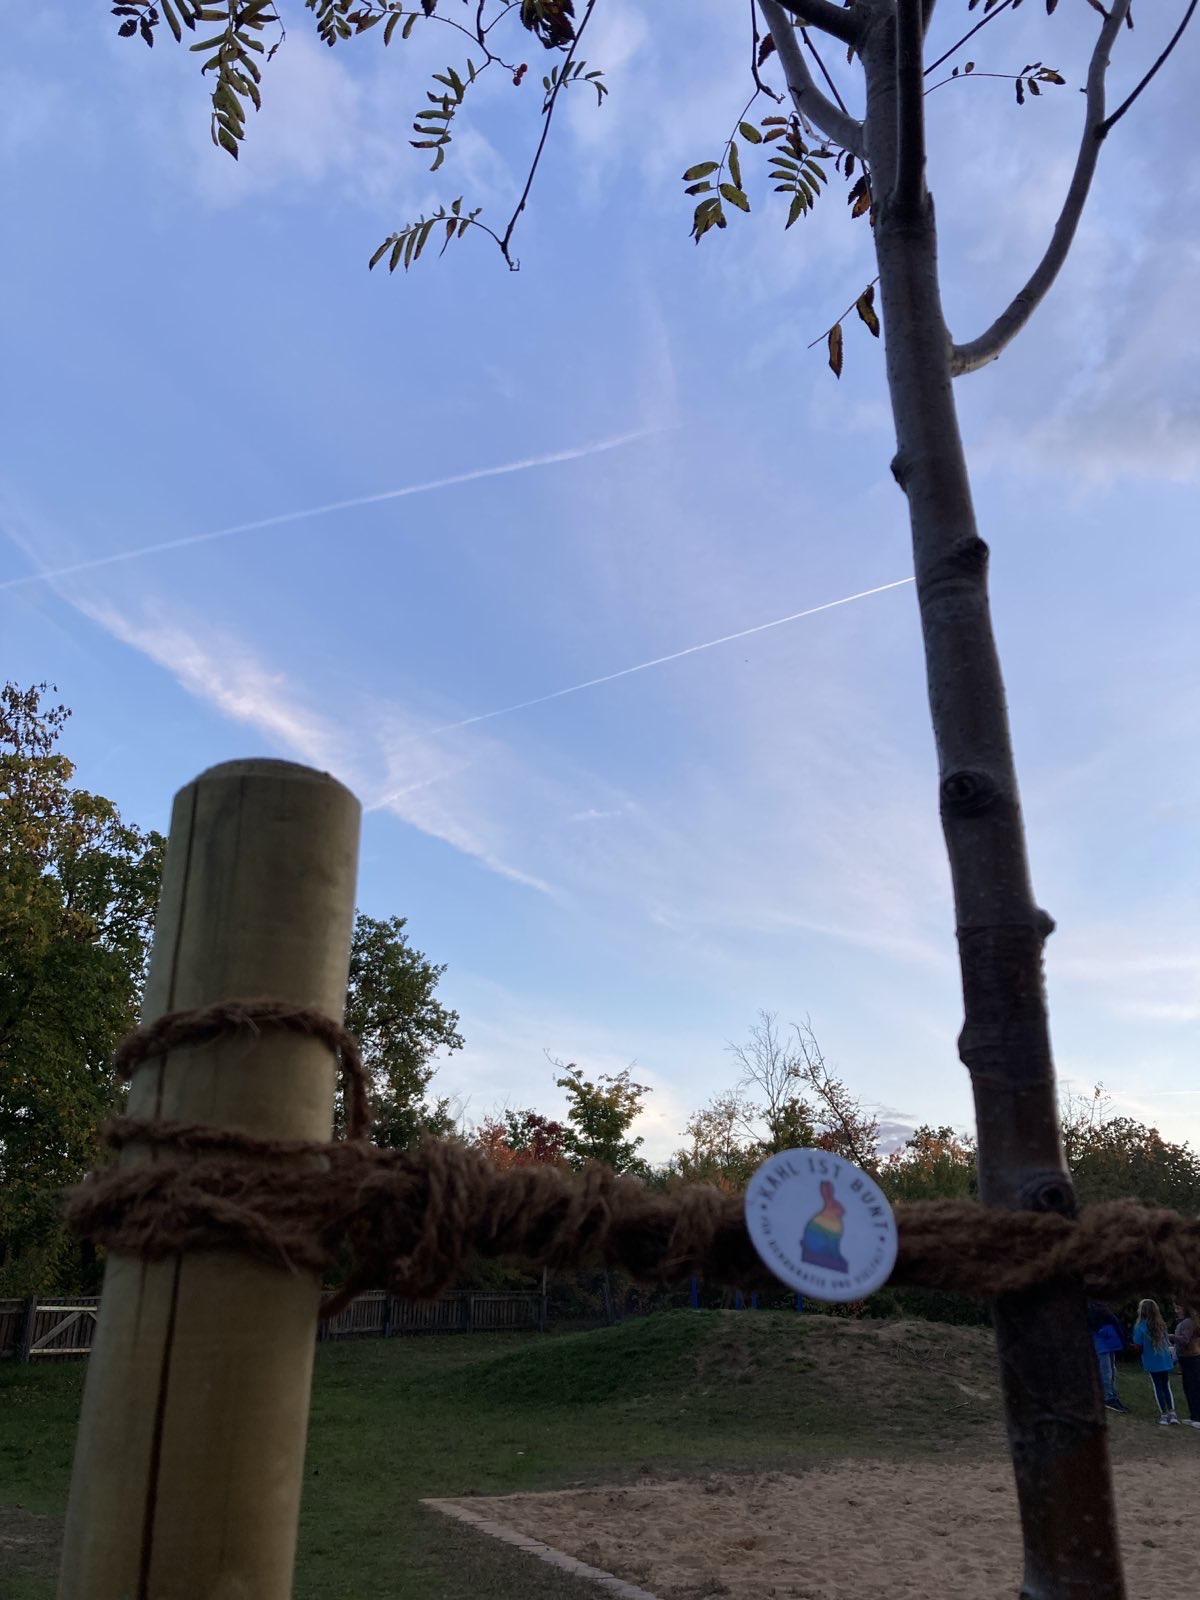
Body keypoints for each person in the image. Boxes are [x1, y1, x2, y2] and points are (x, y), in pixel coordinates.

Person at [1131, 1298, 1178, 1424]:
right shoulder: (1161, 1324)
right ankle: (1172, 1413)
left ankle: (1164, 1414)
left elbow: (1137, 1343)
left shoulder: (1140, 1326)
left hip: (1151, 1360)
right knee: (1166, 1386)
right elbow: (1166, 1341)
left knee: (1158, 1386)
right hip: (1164, 1359)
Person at [1087, 1300, 1129, 1413]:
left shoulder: (1097, 1308)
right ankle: (1108, 1397)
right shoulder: (1095, 1309)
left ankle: (1111, 1396)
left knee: (1111, 1371)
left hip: (1106, 1344)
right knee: (1107, 1372)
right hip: (1102, 1345)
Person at [1170, 1304, 1200, 1429]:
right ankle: (1193, 1416)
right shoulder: (1184, 1321)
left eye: (1178, 1308)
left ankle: (1198, 1417)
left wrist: (1170, 1336)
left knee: (1194, 1388)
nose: (1176, 1311)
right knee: (1188, 1387)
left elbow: (1185, 1339)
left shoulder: (1188, 1322)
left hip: (1191, 1357)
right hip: (1186, 1357)